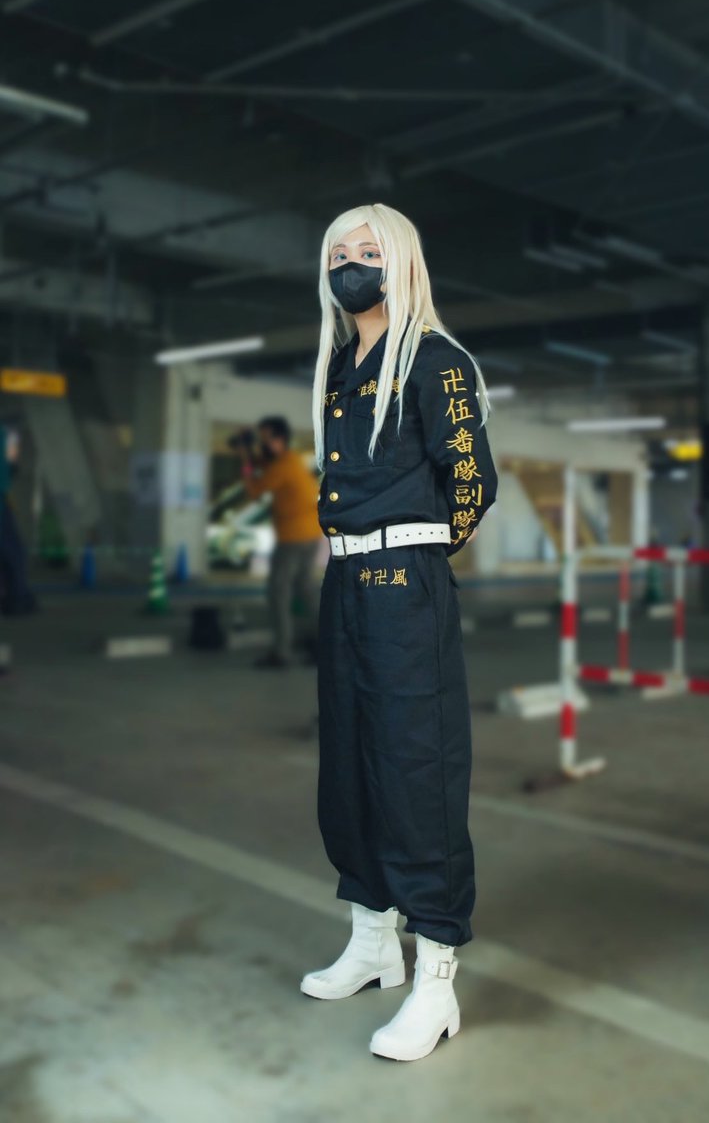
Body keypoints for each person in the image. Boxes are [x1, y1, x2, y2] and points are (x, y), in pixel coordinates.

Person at [300, 204, 498, 1061]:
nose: (350, 264)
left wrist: (414, 553)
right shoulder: (342, 364)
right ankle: (373, 942)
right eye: (337, 253)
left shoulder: (435, 359)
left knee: (417, 769)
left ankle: (436, 977)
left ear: (402, 261)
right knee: (349, 764)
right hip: (345, 582)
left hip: (402, 584)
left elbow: (472, 484)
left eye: (367, 250)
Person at [239, 416, 322, 668]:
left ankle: (282, 652)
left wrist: (244, 461)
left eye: (266, 439)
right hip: (309, 534)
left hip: (293, 538)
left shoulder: (284, 465)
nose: (262, 444)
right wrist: (251, 454)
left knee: (278, 593)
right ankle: (325, 645)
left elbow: (254, 490)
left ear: (280, 439)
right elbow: (264, 464)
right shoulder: (290, 460)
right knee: (306, 590)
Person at [0, 424, 37, 616]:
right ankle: (17, 599)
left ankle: (16, 597)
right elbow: (12, 464)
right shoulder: (7, 434)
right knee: (14, 553)